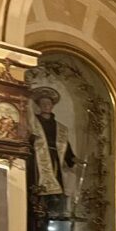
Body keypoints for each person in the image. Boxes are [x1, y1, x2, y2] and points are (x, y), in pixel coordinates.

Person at [29, 86, 77, 219]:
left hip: (55, 159)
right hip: (37, 160)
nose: (46, 106)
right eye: (43, 103)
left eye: (48, 103)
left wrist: (72, 158)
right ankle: (36, 217)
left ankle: (53, 215)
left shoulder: (60, 127)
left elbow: (65, 145)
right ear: (39, 105)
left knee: (56, 188)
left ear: (52, 106)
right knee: (38, 187)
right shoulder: (33, 123)